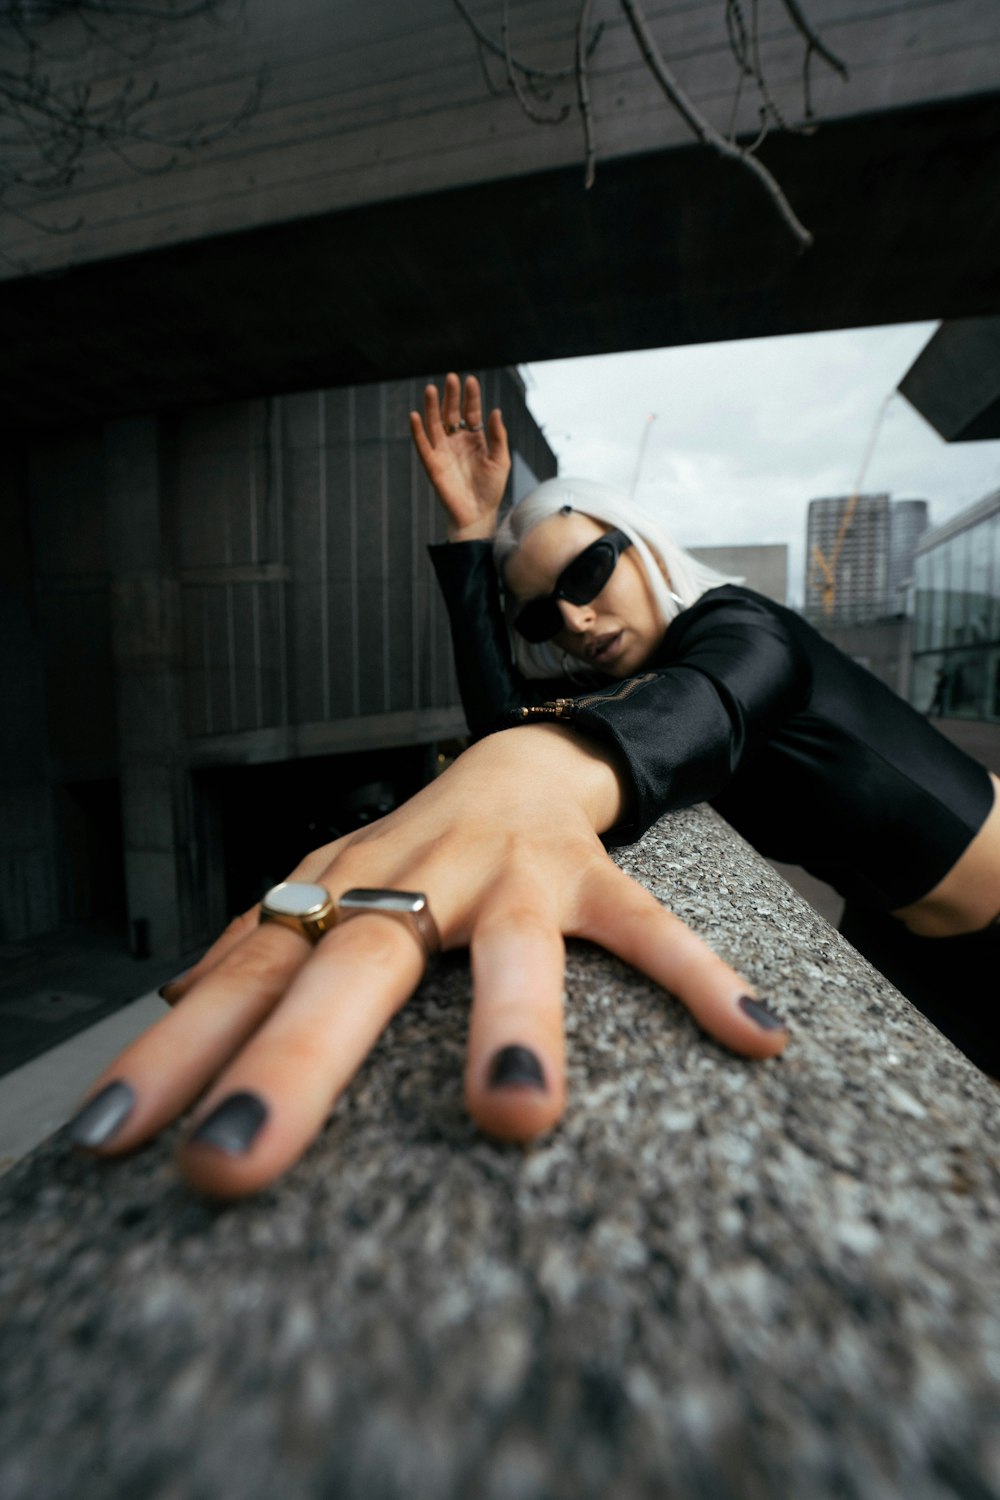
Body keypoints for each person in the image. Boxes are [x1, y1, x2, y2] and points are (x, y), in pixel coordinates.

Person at [64, 374, 996, 1201]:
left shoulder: (745, 627)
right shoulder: (634, 680)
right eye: (543, 615)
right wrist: (471, 543)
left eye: (590, 571)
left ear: (643, 545)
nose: (577, 618)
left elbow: (697, 703)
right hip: (893, 932)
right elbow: (511, 719)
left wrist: (527, 774)